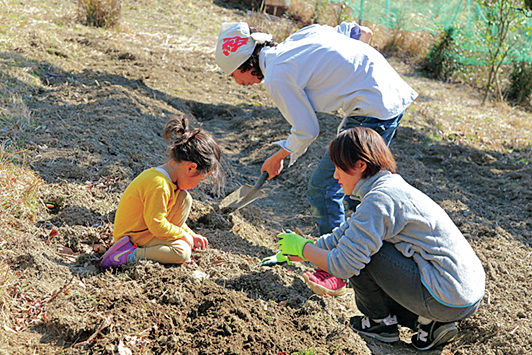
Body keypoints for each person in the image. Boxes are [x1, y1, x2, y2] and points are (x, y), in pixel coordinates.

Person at [215, 21, 418, 294]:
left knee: (323, 188)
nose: (238, 82)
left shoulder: (277, 76)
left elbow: (307, 130)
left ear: (246, 65)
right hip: (389, 96)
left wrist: (280, 155)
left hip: (373, 109)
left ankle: (335, 270)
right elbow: (358, 32)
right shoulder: (297, 39)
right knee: (354, 187)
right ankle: (361, 255)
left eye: (234, 75)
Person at [276, 127, 485, 351]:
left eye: (339, 167)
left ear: (360, 165)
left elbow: (343, 264)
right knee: (362, 242)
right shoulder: (389, 188)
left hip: (445, 296)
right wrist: (299, 252)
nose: (335, 175)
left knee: (363, 253)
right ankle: (429, 325)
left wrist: (305, 248)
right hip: (465, 296)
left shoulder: (379, 199)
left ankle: (380, 323)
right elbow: (346, 233)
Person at [100, 116, 223, 271]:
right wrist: (181, 236)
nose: (199, 184)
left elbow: (165, 220)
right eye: (202, 178)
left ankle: (155, 248)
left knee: (185, 199)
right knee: (182, 252)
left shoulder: (169, 183)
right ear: (190, 168)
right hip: (132, 238)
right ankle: (124, 256)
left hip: (146, 231)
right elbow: (157, 223)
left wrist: (189, 234)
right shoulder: (159, 185)